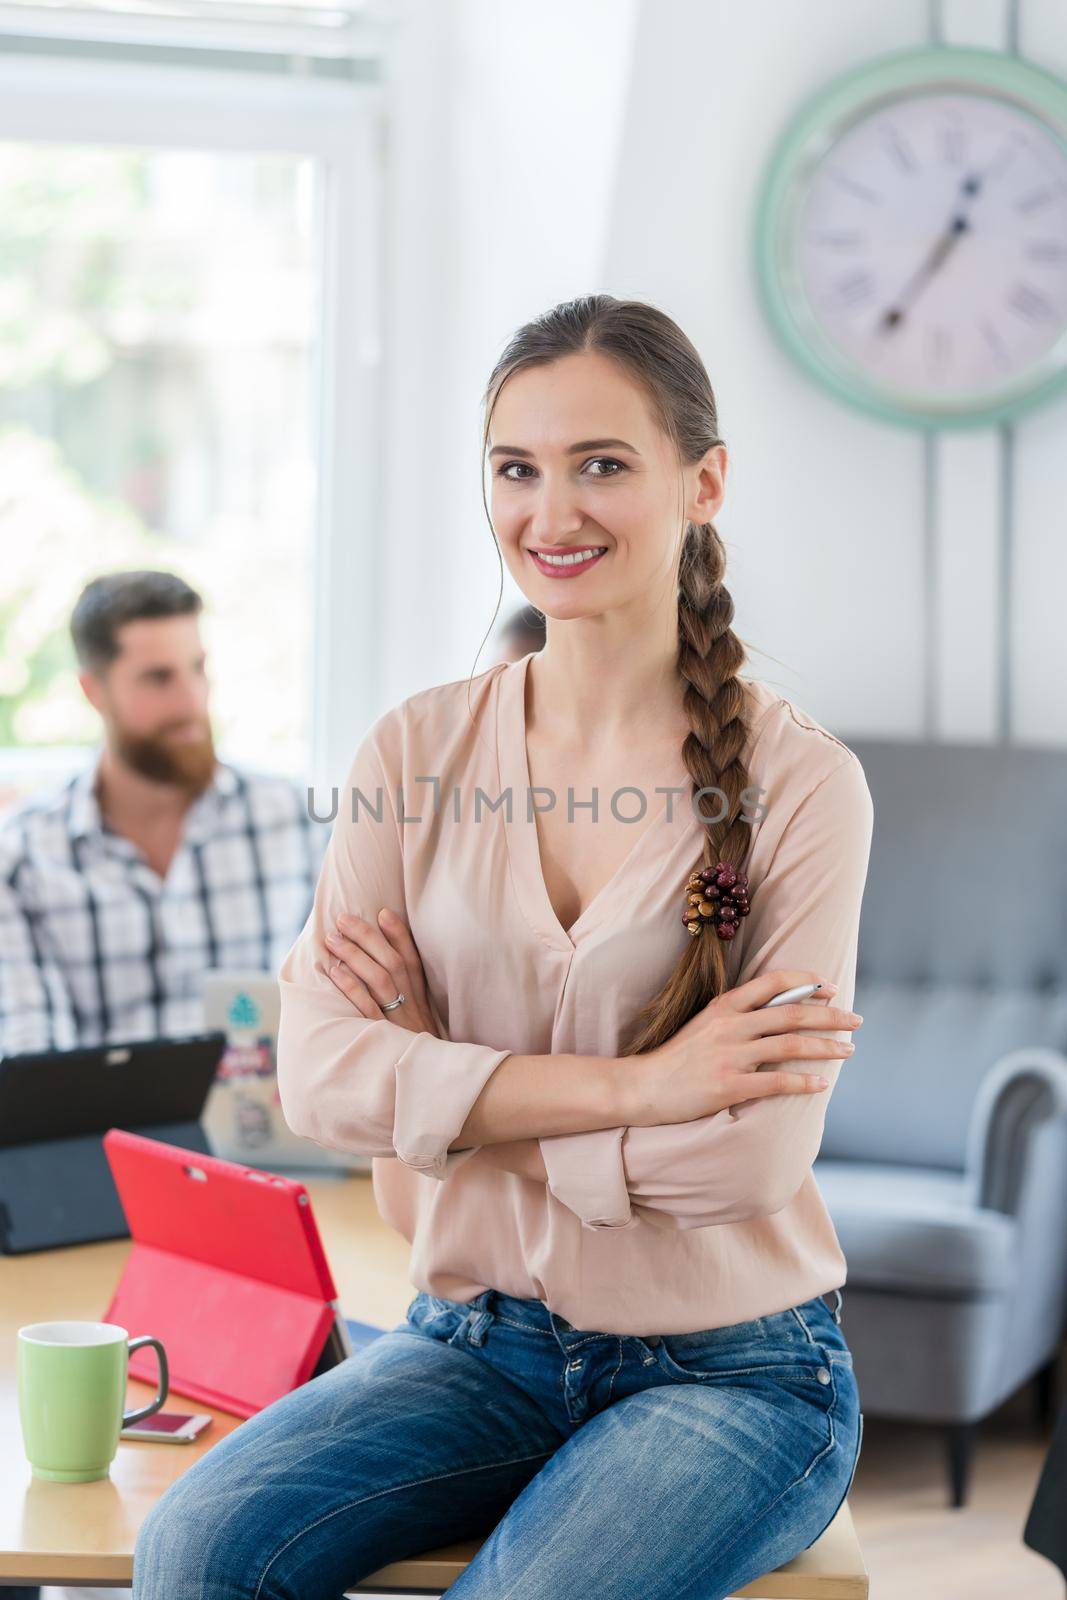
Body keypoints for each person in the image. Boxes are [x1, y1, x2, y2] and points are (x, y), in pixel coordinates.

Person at [132, 294, 872, 1600]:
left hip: (735, 1368)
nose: (551, 513)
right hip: (472, 1344)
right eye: (516, 470)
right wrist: (644, 1089)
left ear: (701, 482)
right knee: (192, 1550)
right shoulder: (411, 752)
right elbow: (312, 1081)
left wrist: (440, 1089)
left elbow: (746, 1155)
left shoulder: (801, 786)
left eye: (601, 465)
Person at [0, 570, 327, 1059]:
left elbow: (332, 1021)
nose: (191, 701)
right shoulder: (23, 857)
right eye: (159, 678)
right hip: (99, 1131)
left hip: (268, 1126)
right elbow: (32, 1057)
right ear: (94, 691)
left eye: (198, 668)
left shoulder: (299, 827)